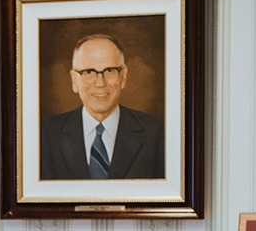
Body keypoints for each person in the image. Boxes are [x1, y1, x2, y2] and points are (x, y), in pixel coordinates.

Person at [40, 34, 165, 180]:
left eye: (110, 71)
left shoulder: (158, 132)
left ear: (123, 77)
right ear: (74, 80)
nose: (100, 83)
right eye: (88, 72)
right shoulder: (45, 133)